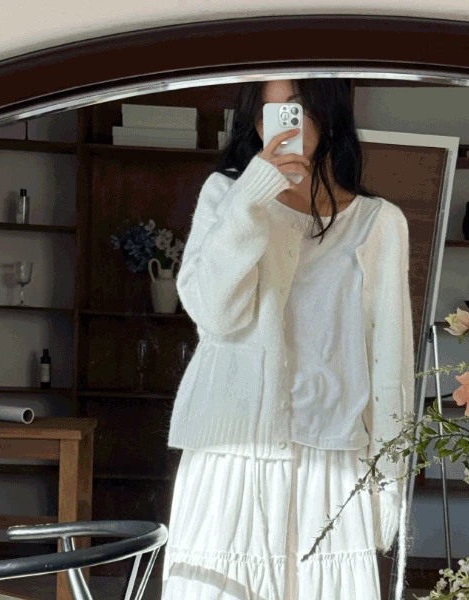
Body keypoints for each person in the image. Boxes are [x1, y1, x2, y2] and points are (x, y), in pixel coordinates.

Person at [161, 77, 415, 600]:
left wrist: (389, 481)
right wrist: (250, 200)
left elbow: (392, 364)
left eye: (295, 108)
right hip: (230, 455)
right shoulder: (225, 195)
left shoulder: (380, 224)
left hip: (330, 462)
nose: (280, 123)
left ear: (326, 112)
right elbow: (215, 315)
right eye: (267, 111)